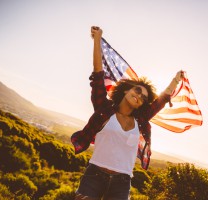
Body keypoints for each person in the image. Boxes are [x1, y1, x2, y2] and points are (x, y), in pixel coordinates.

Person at [72, 26, 184, 200]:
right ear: (125, 91)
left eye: (144, 98)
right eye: (137, 91)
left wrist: (175, 80)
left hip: (122, 183)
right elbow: (98, 74)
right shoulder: (104, 109)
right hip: (94, 176)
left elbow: (161, 101)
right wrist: (97, 40)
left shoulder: (140, 120)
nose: (139, 96)